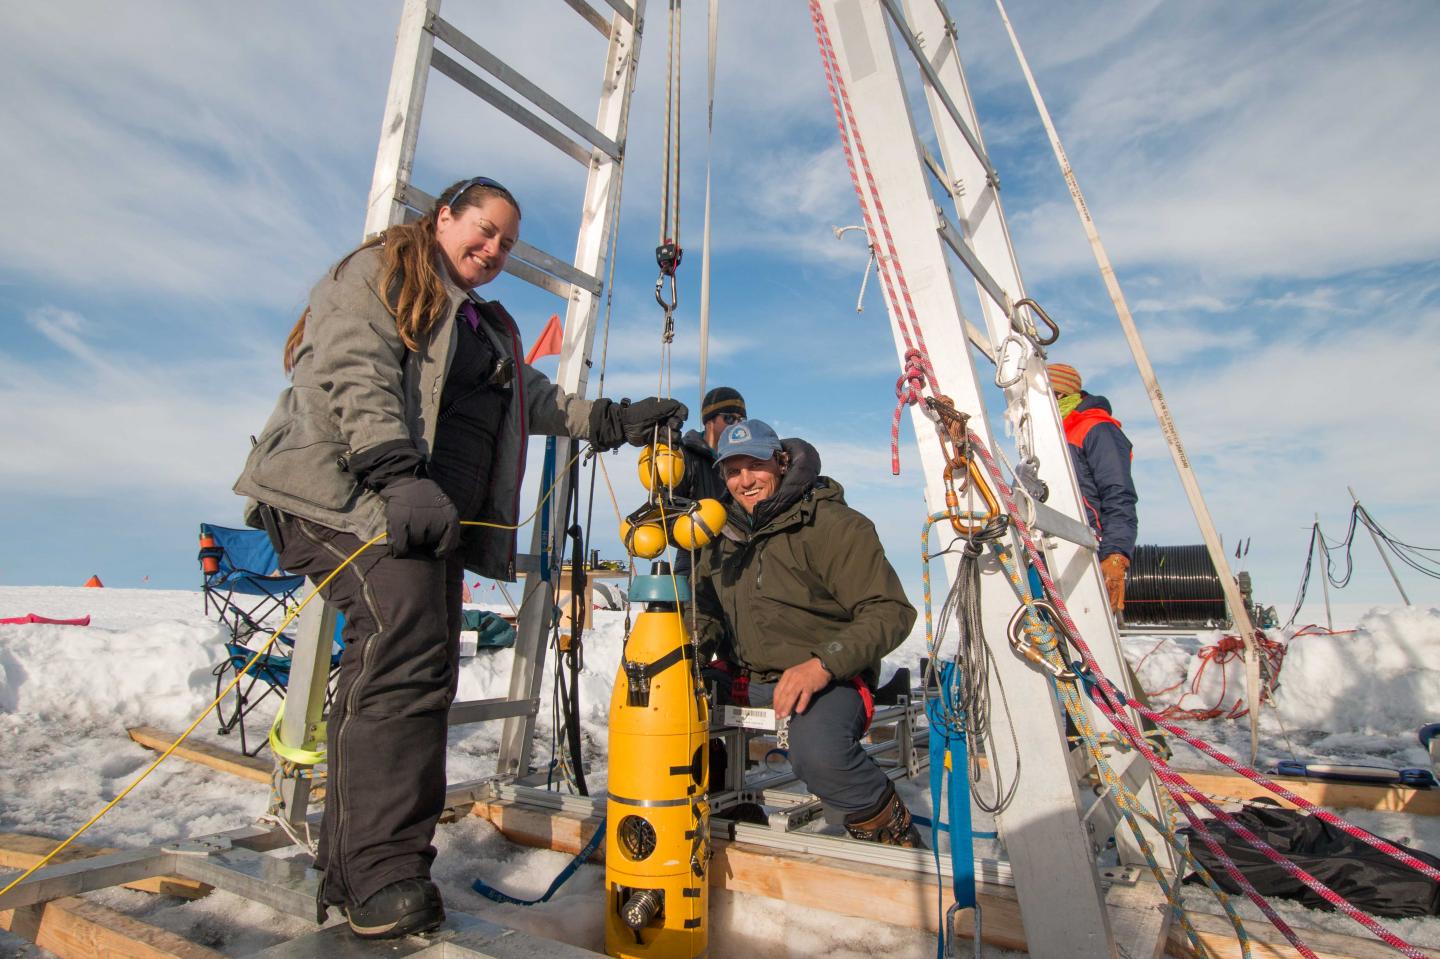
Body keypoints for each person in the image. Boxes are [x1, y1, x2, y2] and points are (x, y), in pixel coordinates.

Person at [233, 177, 686, 940]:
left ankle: (363, 871)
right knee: (403, 651)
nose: (494, 250)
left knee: (417, 669)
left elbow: (532, 399)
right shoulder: (384, 271)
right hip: (349, 494)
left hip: (421, 518)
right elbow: (356, 365)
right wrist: (395, 471)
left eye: (507, 243)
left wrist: (610, 420)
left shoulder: (486, 323)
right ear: (443, 216)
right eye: (483, 230)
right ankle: (380, 874)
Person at [691, 420, 922, 846]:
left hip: (828, 676)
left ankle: (895, 839)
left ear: (779, 462)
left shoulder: (833, 526)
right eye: (733, 471)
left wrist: (823, 663)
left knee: (820, 755)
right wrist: (694, 644)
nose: (745, 481)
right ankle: (728, 810)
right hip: (748, 677)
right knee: (663, 711)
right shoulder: (720, 536)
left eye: (755, 465)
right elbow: (705, 609)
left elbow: (890, 611)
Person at [1046, 363, 1137, 615]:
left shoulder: (1096, 429)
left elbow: (1118, 494)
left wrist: (1115, 554)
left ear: (1059, 395)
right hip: (1049, 547)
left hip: (1086, 548)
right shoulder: (1047, 435)